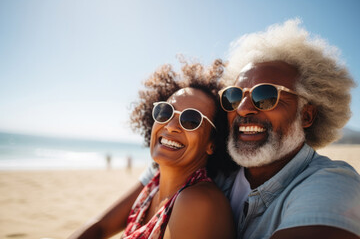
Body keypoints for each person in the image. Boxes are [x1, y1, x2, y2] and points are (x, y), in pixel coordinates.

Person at [138, 19, 360, 238]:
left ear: (306, 115)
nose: (243, 109)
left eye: (265, 96)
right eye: (234, 96)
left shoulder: (331, 184)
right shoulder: (214, 165)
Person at [68, 60, 238, 239]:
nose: (170, 126)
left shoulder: (198, 201)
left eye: (191, 120)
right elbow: (100, 226)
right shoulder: (154, 184)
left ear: (212, 143)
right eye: (166, 112)